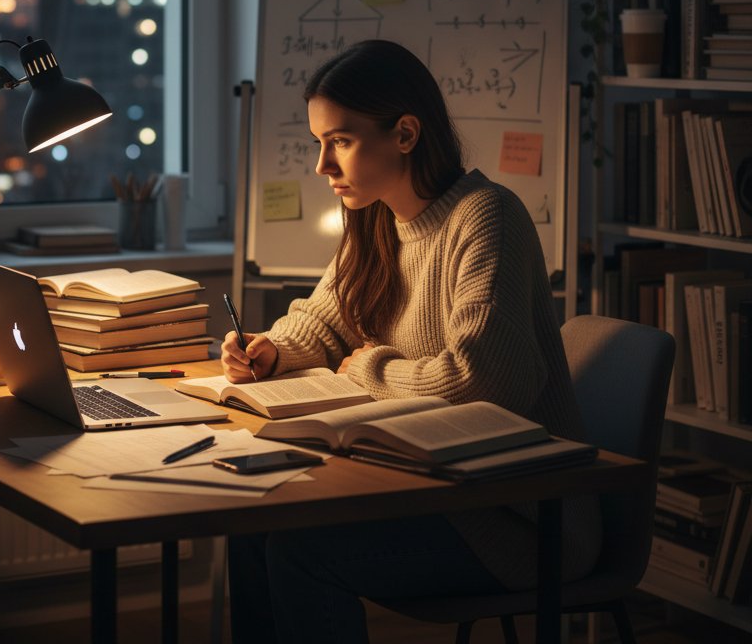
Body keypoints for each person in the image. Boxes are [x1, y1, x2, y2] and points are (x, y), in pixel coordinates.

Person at [221, 39, 600, 644]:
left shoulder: (486, 218)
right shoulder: (375, 216)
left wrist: (371, 369)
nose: (322, 165)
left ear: (404, 133)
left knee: (299, 552)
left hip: (516, 517)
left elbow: (486, 383)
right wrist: (271, 348)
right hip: (428, 484)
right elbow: (325, 320)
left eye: (339, 141)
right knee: (250, 524)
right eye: (320, 142)